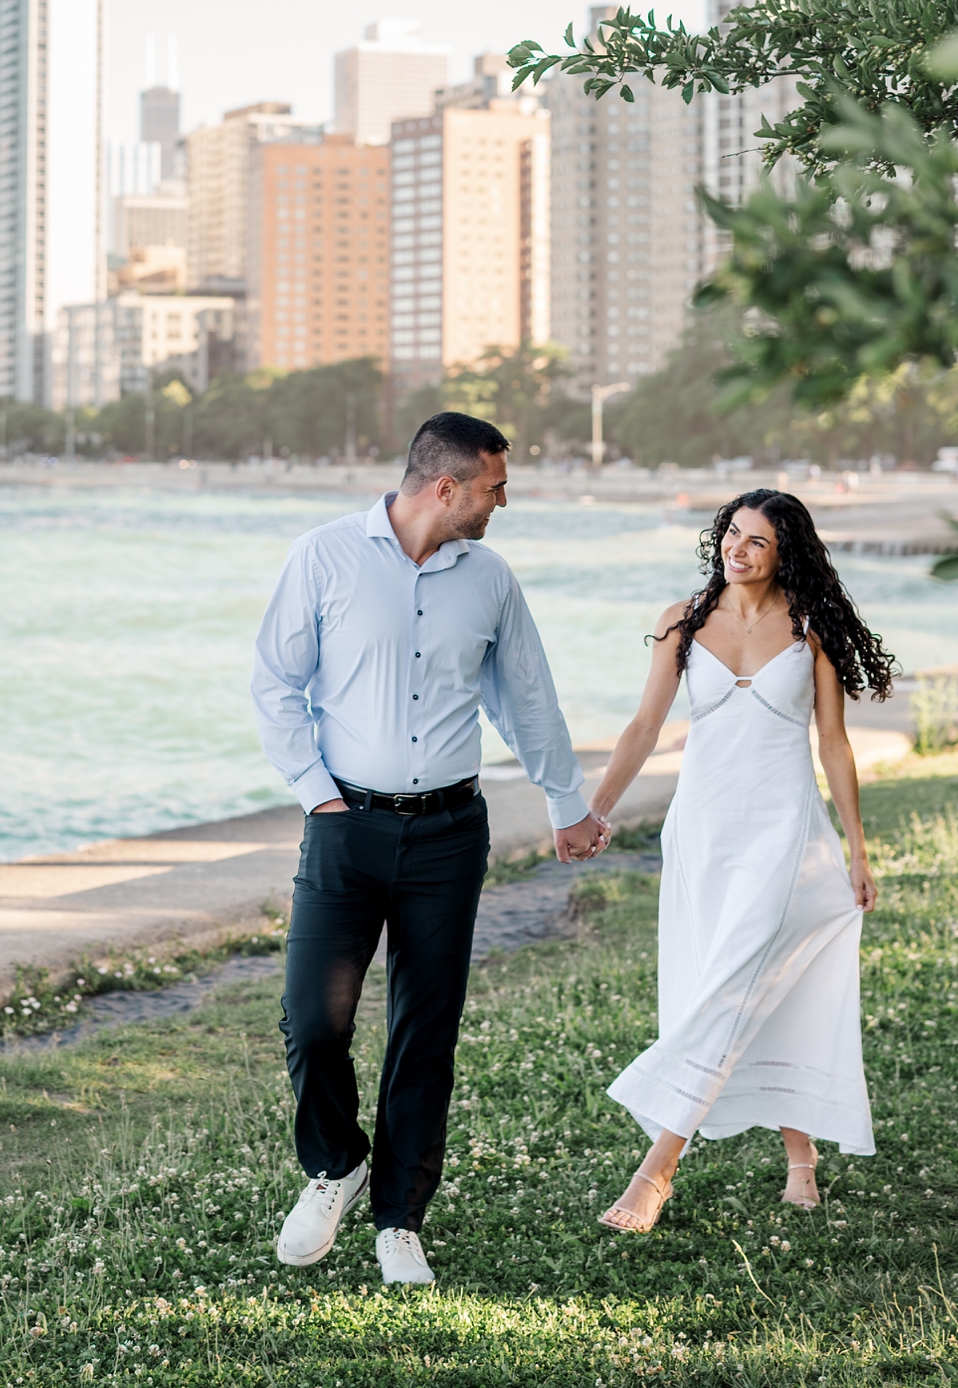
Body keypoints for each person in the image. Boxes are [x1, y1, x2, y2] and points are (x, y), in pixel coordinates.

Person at [252, 411, 608, 1286]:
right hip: (345, 827)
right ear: (445, 486)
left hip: (450, 833)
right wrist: (318, 794)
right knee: (313, 1019)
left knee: (426, 1030)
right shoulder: (325, 556)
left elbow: (528, 696)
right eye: (495, 486)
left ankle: (400, 1218)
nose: (502, 501)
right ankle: (336, 1165)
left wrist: (567, 801)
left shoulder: (489, 579)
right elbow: (274, 682)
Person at [588, 488, 896, 1233]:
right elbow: (642, 726)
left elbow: (833, 743)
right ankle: (801, 1155)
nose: (739, 549)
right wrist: (594, 811)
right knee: (733, 985)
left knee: (736, 982)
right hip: (702, 833)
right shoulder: (683, 620)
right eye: (732, 533)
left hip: (786, 832)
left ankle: (656, 1168)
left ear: (784, 551)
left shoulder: (811, 627)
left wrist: (858, 848)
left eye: (757, 540)